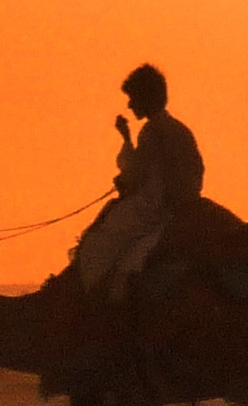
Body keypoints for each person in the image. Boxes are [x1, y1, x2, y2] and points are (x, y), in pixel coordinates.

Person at [75, 63, 204, 298]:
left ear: (145, 98)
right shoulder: (178, 129)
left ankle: (101, 300)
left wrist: (125, 157)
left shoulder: (152, 131)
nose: (130, 104)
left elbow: (136, 177)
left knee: (96, 246)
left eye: (133, 98)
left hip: (154, 208)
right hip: (175, 202)